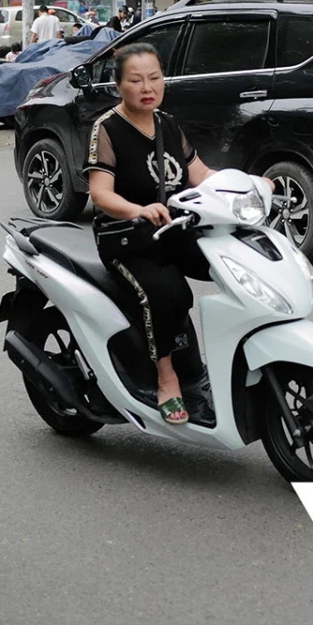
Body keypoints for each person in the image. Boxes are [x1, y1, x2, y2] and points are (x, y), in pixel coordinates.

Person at [85, 43, 217, 426]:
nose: (148, 87)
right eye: (136, 80)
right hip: (126, 238)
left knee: (227, 265)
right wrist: (137, 210)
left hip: (171, 230)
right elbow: (100, 193)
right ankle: (167, 378)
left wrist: (249, 185)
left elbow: (201, 174)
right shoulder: (106, 128)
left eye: (155, 78)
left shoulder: (168, 124)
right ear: (118, 85)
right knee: (165, 291)